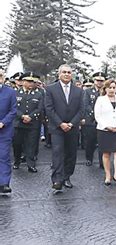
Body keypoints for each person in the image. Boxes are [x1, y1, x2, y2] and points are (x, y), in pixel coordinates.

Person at [44, 64, 85, 192]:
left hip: (72, 127)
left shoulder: (79, 91)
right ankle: (57, 179)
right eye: (64, 72)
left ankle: (67, 176)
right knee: (57, 152)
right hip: (57, 127)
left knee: (71, 153)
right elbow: (49, 108)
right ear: (59, 74)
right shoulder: (51, 89)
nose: (67, 74)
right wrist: (60, 123)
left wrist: (72, 124)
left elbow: (81, 110)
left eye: (69, 72)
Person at [94, 79, 116, 186]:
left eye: (114, 87)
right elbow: (97, 115)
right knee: (106, 153)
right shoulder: (100, 100)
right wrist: (106, 126)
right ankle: (108, 175)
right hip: (104, 130)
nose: (112, 90)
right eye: (110, 87)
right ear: (105, 88)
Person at [12, 72, 43, 173]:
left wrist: (30, 116)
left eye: (32, 82)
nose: (31, 84)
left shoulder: (38, 94)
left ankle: (31, 164)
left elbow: (40, 108)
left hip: (32, 123)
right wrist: (22, 116)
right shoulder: (15, 93)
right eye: (28, 81)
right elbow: (13, 107)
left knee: (31, 144)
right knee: (17, 144)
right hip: (18, 123)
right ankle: (16, 161)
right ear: (23, 82)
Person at [82, 72, 104, 166]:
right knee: (90, 141)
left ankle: (102, 161)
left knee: (102, 142)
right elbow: (86, 105)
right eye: (98, 80)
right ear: (94, 81)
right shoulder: (88, 91)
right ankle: (89, 158)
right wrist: (95, 114)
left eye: (101, 81)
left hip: (103, 120)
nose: (99, 82)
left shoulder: (105, 92)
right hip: (91, 120)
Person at [0, 69, 17, 194]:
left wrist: (3, 122)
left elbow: (13, 111)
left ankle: (4, 183)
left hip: (4, 130)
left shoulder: (10, 92)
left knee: (4, 156)